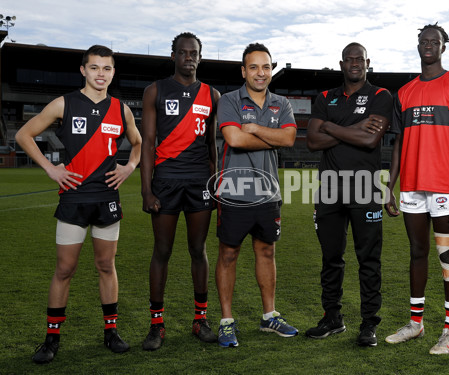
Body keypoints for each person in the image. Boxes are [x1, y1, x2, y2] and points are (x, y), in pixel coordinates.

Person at [16, 45, 142, 364]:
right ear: (83, 70)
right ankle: (51, 339)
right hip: (73, 197)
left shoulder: (121, 109)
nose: (101, 73)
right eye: (95, 67)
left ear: (113, 73)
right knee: (64, 269)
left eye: (107, 68)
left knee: (105, 266)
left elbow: (139, 143)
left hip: (106, 199)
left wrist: (129, 167)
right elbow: (24, 135)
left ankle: (111, 332)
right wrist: (50, 168)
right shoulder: (65, 103)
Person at [384, 23, 449, 354]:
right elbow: (397, 144)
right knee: (417, 252)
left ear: (443, 47)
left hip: (445, 187)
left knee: (447, 253)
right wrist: (390, 186)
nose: (428, 45)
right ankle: (416, 324)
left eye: (434, 41)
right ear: (418, 45)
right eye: (423, 41)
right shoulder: (405, 92)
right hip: (412, 185)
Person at [305, 42, 393, 347]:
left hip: (365, 187)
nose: (354, 63)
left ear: (367, 62)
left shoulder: (381, 96)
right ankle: (332, 318)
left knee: (369, 259)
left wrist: (330, 127)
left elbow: (370, 141)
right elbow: (312, 142)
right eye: (349, 59)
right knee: (331, 258)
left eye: (359, 59)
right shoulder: (325, 97)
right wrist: (354, 127)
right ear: (341, 63)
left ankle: (369, 323)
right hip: (329, 187)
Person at [214, 42, 298, 348]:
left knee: (266, 252)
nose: (260, 73)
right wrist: (270, 137)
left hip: (268, 192)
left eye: (266, 67)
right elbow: (234, 138)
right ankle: (226, 322)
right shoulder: (229, 100)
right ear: (243, 71)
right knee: (228, 254)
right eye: (253, 67)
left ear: (271, 69)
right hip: (234, 191)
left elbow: (290, 138)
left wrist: (254, 128)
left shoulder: (282, 103)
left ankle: (269, 316)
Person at [140, 32, 220, 350]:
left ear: (200, 57)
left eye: (194, 53)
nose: (189, 57)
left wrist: (215, 186)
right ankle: (156, 326)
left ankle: (200, 320)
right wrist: (147, 190)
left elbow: (213, 147)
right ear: (172, 55)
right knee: (162, 252)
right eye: (183, 52)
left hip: (200, 182)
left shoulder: (212, 94)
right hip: (166, 182)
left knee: (198, 251)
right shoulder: (155, 91)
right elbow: (147, 143)